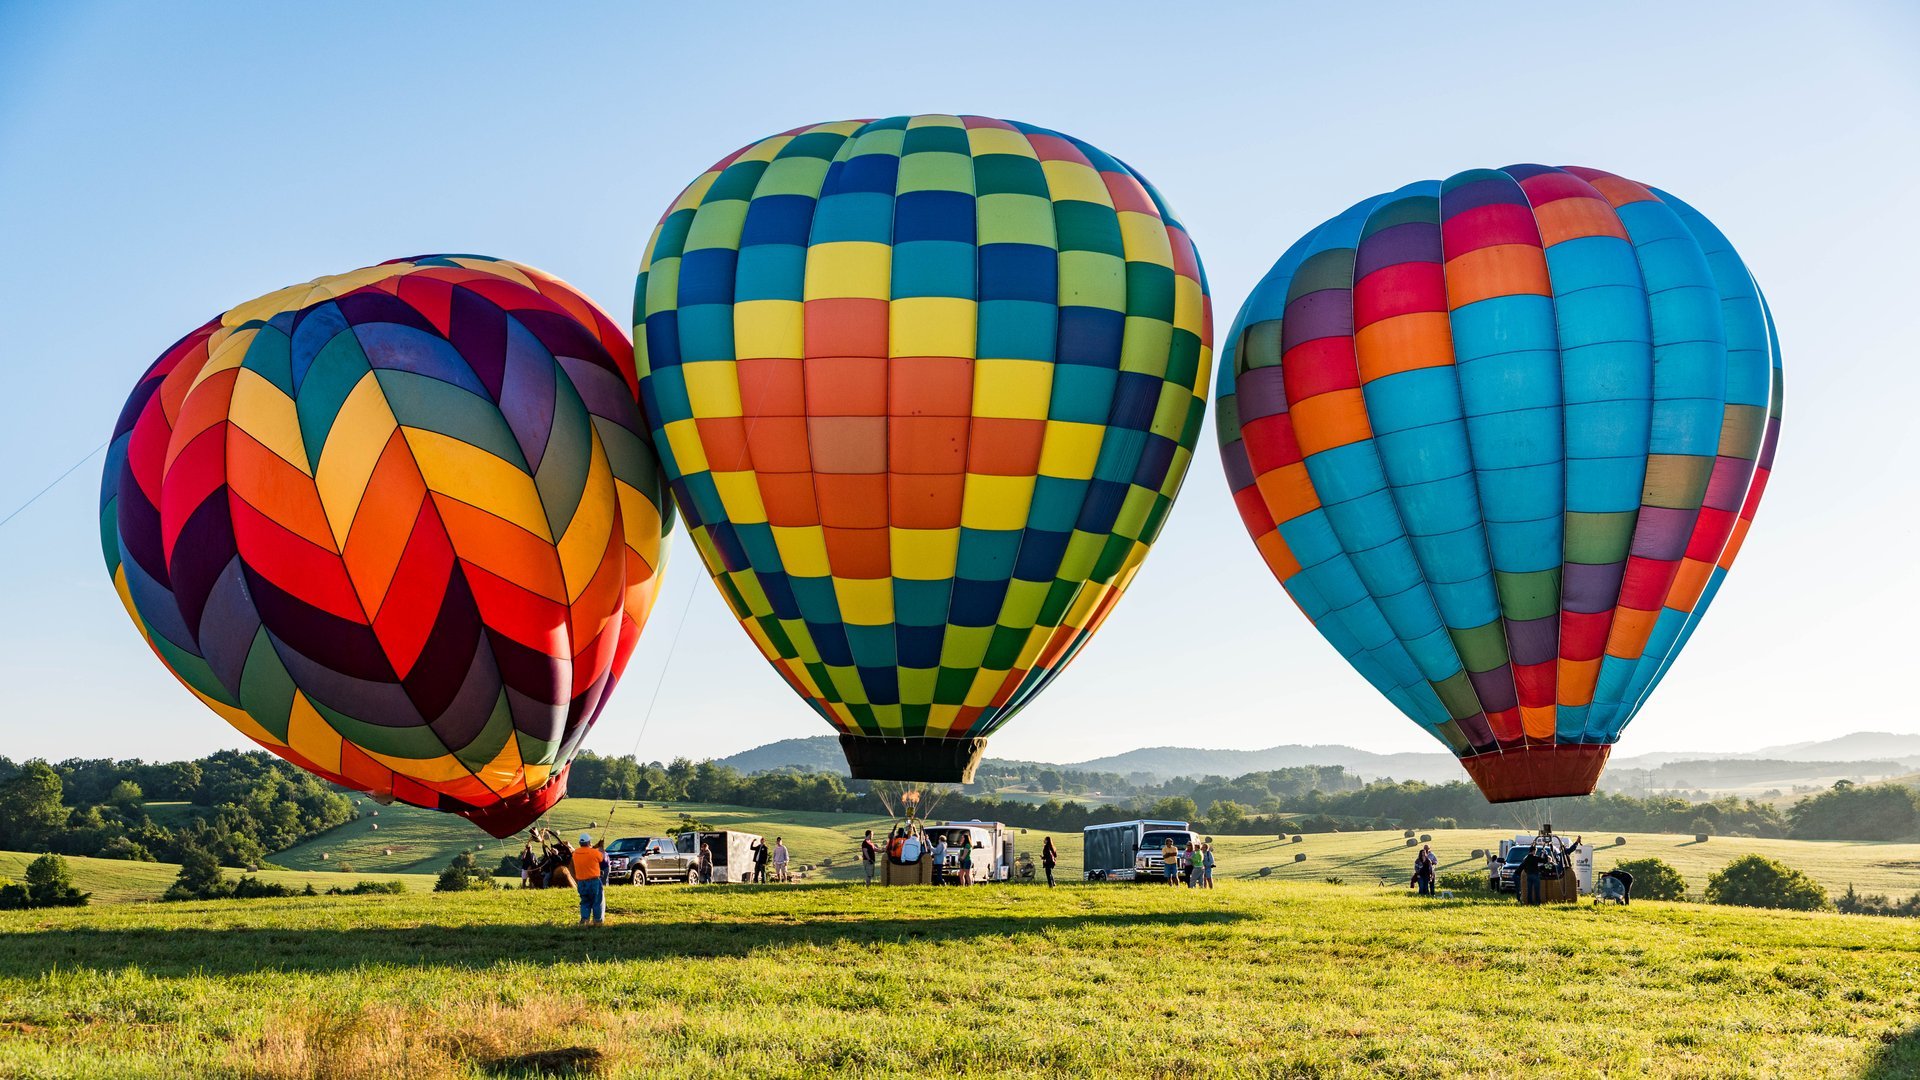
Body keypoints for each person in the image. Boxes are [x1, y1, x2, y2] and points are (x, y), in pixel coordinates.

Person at [570, 832, 608, 925]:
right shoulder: (594, 852)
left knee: (585, 901)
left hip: (581, 882)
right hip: (594, 881)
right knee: (597, 901)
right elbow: (603, 860)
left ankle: (584, 920)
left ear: (580, 843)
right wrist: (601, 848)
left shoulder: (575, 854)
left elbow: (586, 853)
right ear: (589, 842)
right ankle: (597, 921)